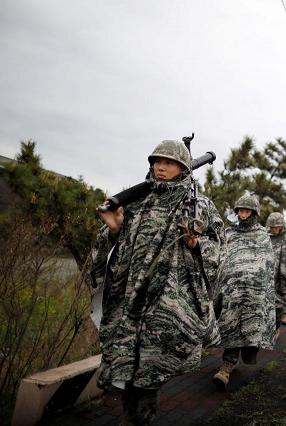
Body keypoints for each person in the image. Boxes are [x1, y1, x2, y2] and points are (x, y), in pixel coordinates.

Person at [90, 140, 224, 426]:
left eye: (168, 162)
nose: (160, 167)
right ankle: (133, 416)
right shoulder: (137, 201)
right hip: (129, 300)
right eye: (156, 161)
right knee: (125, 366)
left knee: (149, 372)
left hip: (168, 304)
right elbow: (104, 252)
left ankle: (138, 419)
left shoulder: (200, 206)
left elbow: (218, 250)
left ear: (184, 167)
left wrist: (195, 244)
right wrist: (113, 232)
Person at [212, 194, 275, 389]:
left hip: (254, 292)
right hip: (232, 290)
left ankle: (239, 358)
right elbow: (221, 258)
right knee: (230, 324)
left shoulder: (262, 236)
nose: (243, 214)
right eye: (240, 210)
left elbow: (267, 264)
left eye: (247, 211)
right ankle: (227, 364)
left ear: (254, 213)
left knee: (249, 327)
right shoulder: (229, 234)